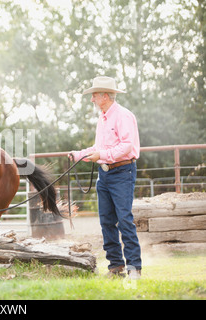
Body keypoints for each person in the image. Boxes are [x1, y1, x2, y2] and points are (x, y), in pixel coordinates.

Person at [70, 76, 142, 279]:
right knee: (106, 221)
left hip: (122, 172)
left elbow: (126, 146)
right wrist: (78, 154)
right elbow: (98, 148)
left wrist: (101, 155)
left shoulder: (123, 116)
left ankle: (134, 267)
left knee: (124, 219)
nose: (92, 99)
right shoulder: (102, 119)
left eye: (94, 95)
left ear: (104, 96)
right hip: (105, 174)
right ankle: (115, 266)